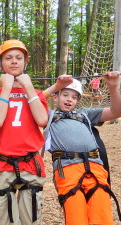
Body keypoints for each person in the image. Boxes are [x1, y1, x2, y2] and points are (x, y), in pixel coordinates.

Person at [0, 39, 48, 225]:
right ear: (0, 64)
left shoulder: (36, 93)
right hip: (2, 163)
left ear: (25, 62)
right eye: (8, 58)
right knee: (5, 220)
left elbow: (42, 120)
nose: (14, 61)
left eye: (19, 57)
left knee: (32, 219)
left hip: (31, 163)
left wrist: (28, 87)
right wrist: (6, 88)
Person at [43, 73, 121, 225]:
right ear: (55, 97)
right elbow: (30, 103)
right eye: (65, 94)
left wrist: (113, 88)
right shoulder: (47, 116)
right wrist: (54, 87)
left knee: (103, 216)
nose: (69, 99)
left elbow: (116, 112)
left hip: (95, 166)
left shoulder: (85, 114)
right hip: (67, 168)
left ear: (77, 101)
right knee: (76, 217)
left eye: (74, 97)